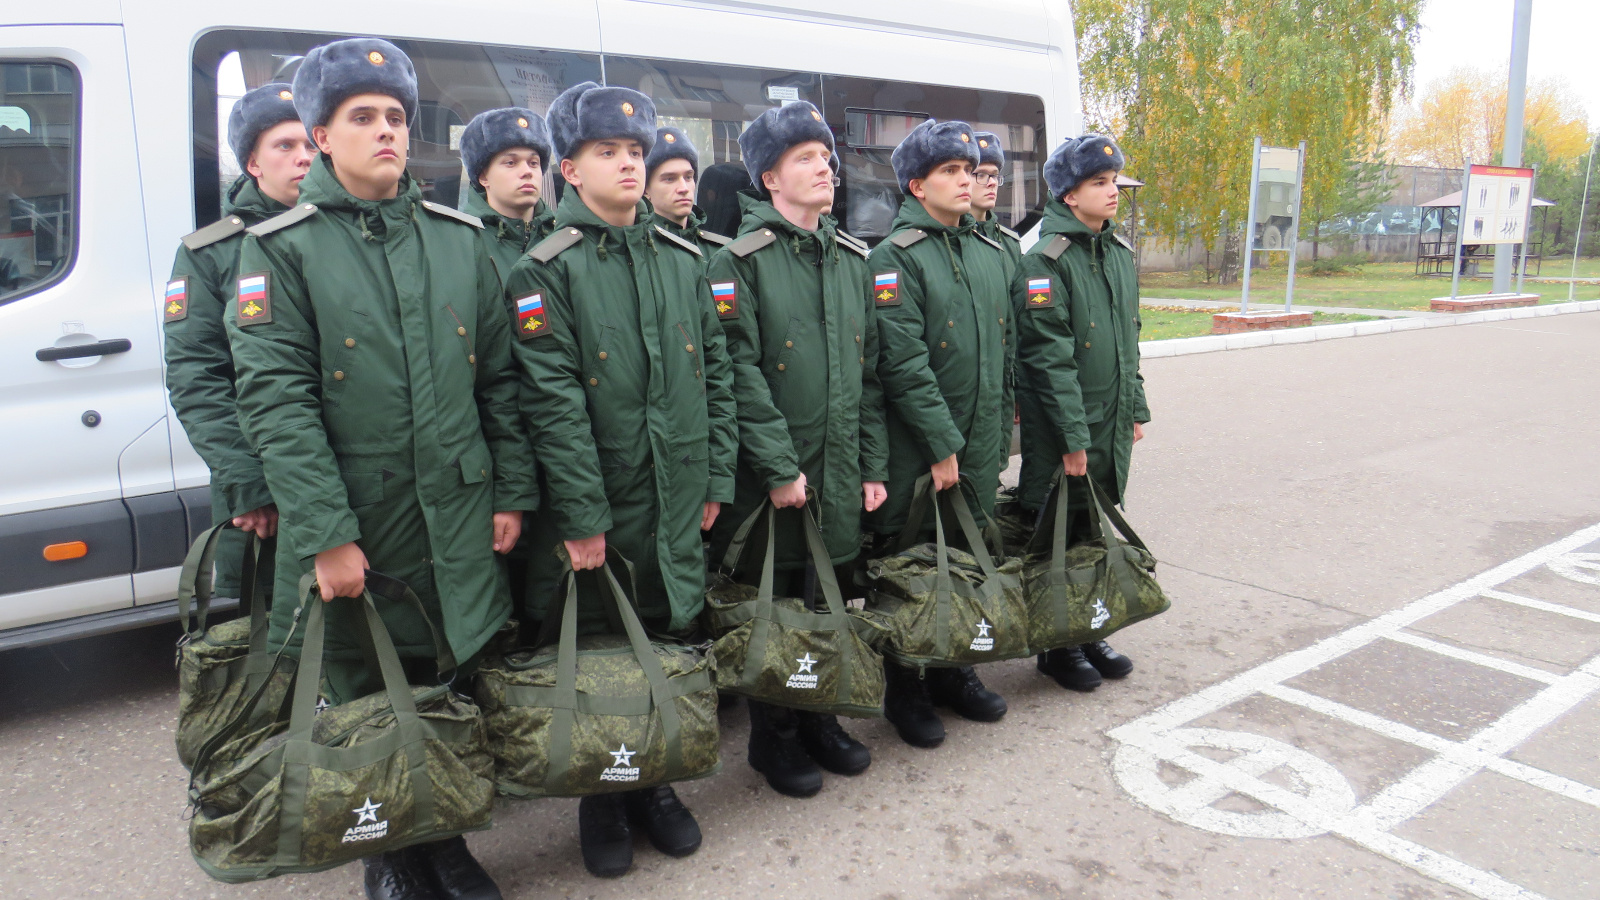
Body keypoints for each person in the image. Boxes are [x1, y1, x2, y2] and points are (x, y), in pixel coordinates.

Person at [226, 38, 535, 900]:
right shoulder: (281, 251)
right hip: (362, 519)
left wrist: (512, 490)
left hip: (459, 511)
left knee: (451, 674)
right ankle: (390, 851)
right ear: (322, 137)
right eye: (363, 117)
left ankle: (446, 837)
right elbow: (278, 406)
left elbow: (500, 382)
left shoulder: (459, 242)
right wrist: (327, 535)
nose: (387, 130)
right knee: (368, 686)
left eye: (396, 115)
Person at [502, 81, 737, 881]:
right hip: (602, 503)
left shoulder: (684, 260)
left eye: (636, 151)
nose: (630, 164)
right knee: (603, 650)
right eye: (608, 152)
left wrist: (715, 475)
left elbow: (716, 376)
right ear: (570, 169)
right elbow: (552, 404)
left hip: (677, 490)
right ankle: (603, 796)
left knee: (667, 632)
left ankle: (655, 785)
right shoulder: (544, 271)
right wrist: (581, 517)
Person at [704, 101, 887, 798]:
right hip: (774, 477)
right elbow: (738, 372)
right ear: (770, 178)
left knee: (829, 594)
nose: (825, 168)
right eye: (805, 158)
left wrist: (872, 465)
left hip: (839, 470)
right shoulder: (736, 263)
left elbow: (868, 376)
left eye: (826, 156)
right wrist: (780, 468)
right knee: (777, 602)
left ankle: (820, 717)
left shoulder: (850, 260)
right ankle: (773, 736)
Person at [866, 119, 1013, 750]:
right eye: (950, 171)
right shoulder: (895, 258)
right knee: (916, 565)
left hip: (979, 442)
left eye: (969, 169)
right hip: (922, 453)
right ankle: (907, 687)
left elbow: (1004, 353)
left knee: (967, 556)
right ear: (917, 185)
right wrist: (941, 445)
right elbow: (902, 363)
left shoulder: (988, 252)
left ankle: (955, 669)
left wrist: (994, 434)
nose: (965, 180)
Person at [165, 83, 312, 604]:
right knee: (280, 627)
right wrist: (246, 482)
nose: (303, 158)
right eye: (284, 146)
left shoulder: (342, 234)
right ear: (253, 163)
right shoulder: (212, 253)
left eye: (311, 145)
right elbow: (196, 377)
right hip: (266, 481)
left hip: (351, 477)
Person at [1012, 134, 1148, 693]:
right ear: (1069, 195)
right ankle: (1056, 645)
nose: (1113, 191)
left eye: (1114, 181)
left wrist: (1135, 407)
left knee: (1095, 529)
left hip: (1109, 420)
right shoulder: (1045, 262)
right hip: (1065, 430)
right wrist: (1073, 439)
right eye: (1099, 183)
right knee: (1058, 535)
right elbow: (1049, 359)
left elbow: (1128, 340)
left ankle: (1091, 628)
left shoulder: (1117, 254)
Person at [457, 106, 557, 287]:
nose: (527, 171)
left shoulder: (562, 237)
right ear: (483, 176)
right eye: (511, 162)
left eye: (534, 163)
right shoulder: (461, 242)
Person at [643, 125, 730, 256]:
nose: (683, 188)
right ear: (645, 190)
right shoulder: (639, 247)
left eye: (688, 177)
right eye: (670, 179)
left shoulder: (719, 252)